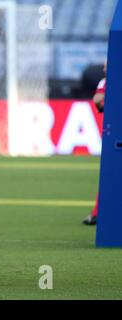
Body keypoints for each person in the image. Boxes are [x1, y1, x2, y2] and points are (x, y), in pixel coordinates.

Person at [83, 63, 106, 226]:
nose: (104, 69)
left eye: (107, 66)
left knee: (109, 174)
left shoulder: (106, 81)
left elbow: (98, 100)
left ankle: (97, 214)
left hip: (115, 136)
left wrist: (107, 108)